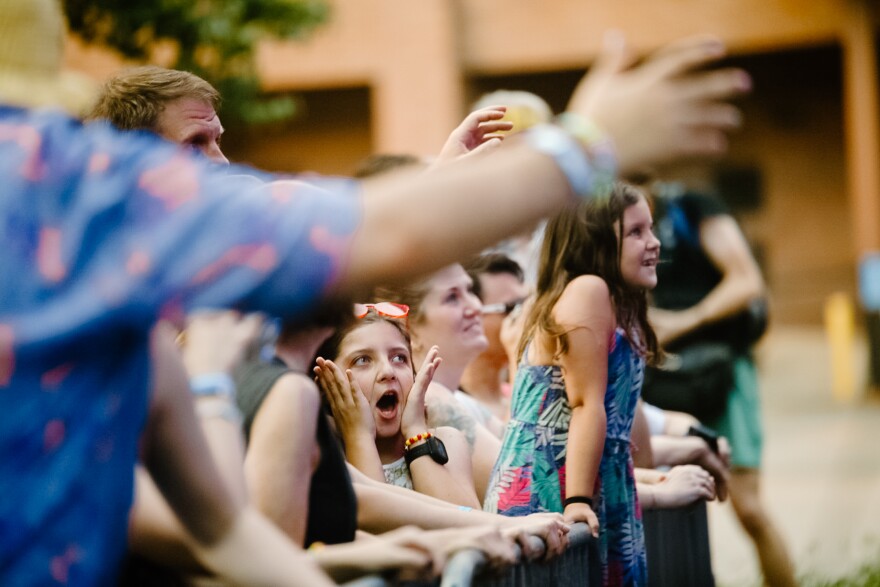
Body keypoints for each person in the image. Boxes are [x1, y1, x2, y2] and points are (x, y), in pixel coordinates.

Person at [0, 0, 752, 582]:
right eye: (198, 144)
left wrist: (423, 541)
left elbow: (219, 530)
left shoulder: (132, 333)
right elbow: (372, 232)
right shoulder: (196, 346)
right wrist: (589, 142)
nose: (224, 166)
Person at [483, 182, 664, 586]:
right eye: (635, 232)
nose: (653, 243)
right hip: (553, 481)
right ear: (595, 241)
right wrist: (578, 500)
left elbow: (622, 413)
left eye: (651, 229)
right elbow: (585, 404)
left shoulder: (622, 301)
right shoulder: (587, 290)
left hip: (603, 478)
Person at [645, 184, 796, 586]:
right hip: (657, 379)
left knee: (749, 508)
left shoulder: (691, 205)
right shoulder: (604, 209)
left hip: (720, 371)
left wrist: (683, 321)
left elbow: (747, 281)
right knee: (661, 511)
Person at [315, 304, 482, 507]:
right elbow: (379, 524)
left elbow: (465, 525)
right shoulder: (322, 459)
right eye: (362, 360)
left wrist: (416, 432)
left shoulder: (447, 441)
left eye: (398, 358)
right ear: (325, 382)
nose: (388, 371)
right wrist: (359, 437)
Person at [461, 253, 531, 423]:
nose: (526, 317)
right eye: (514, 307)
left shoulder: (512, 392)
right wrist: (520, 359)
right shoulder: (456, 407)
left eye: (527, 304)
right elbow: (516, 446)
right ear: (472, 316)